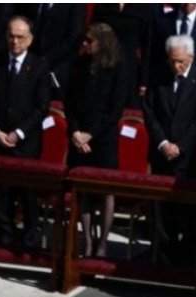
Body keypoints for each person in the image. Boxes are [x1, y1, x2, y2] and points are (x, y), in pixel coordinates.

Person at [143, 33, 196, 264]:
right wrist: (163, 143)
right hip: (161, 152)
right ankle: (162, 254)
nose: (176, 66)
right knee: (160, 209)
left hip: (188, 156)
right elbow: (149, 112)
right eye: (172, 60)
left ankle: (186, 256)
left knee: (185, 209)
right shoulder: (158, 75)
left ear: (191, 57)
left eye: (181, 61)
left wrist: (181, 146)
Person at [0, 15, 52, 251]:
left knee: (27, 193)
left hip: (26, 142)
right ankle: (4, 236)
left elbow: (41, 108)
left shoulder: (39, 66)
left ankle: (30, 238)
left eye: (20, 37)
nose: (14, 41)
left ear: (30, 39)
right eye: (11, 36)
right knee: (1, 191)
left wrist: (19, 133)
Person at [65, 22, 126, 258]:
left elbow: (115, 109)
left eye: (89, 41)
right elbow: (69, 102)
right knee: (83, 191)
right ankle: (88, 241)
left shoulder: (117, 67)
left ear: (102, 43)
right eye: (84, 40)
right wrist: (75, 132)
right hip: (80, 136)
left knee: (106, 190)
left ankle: (102, 244)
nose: (84, 44)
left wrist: (91, 134)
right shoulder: (78, 64)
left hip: (103, 138)